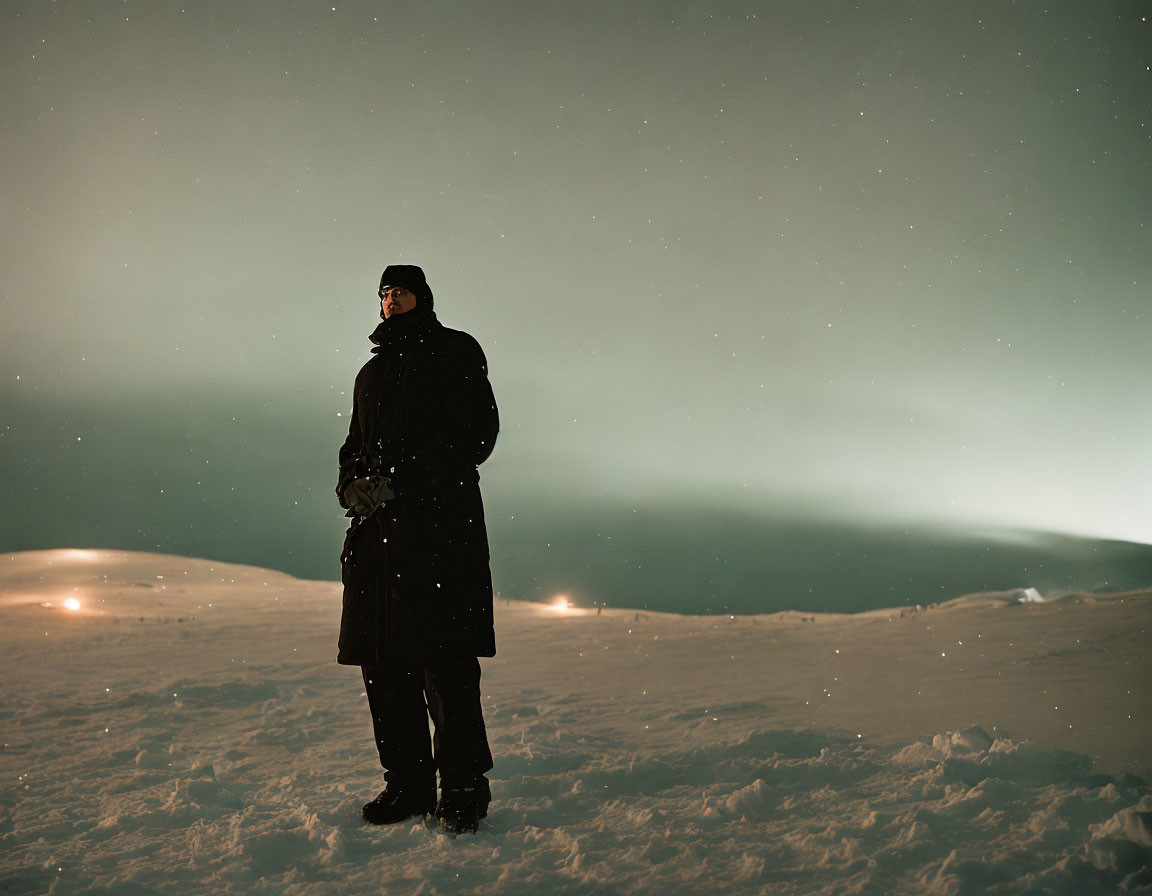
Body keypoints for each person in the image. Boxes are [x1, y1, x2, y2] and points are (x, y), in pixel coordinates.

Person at [336, 264, 499, 835]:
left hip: (438, 538)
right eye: (383, 294)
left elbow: (477, 435)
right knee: (385, 666)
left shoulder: (454, 352)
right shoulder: (371, 375)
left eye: (400, 292)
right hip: (377, 544)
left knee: (446, 665)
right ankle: (407, 785)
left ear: (422, 297)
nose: (390, 301)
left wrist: (403, 480)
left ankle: (461, 789)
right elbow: (353, 444)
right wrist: (351, 484)